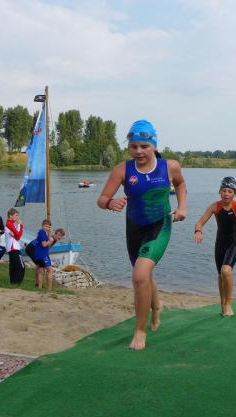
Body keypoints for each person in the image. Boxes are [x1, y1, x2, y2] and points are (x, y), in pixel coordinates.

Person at [97, 119, 186, 350]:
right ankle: (156, 306)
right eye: (133, 146)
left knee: (139, 275)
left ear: (154, 145)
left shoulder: (170, 166)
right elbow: (102, 199)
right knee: (143, 275)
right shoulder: (122, 170)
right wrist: (110, 203)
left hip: (160, 225)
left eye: (144, 146)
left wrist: (182, 206)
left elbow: (180, 184)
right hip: (134, 228)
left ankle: (140, 331)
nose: (138, 151)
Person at [193, 176, 236, 316]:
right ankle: (222, 304)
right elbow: (200, 222)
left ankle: (228, 304)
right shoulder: (215, 206)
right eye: (223, 190)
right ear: (219, 191)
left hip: (234, 242)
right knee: (220, 275)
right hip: (220, 243)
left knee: (226, 271)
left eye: (229, 191)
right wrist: (198, 231)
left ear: (234, 193)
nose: (226, 193)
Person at [25, 220, 66, 290]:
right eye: (58, 235)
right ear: (55, 234)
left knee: (39, 267)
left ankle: (38, 285)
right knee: (42, 268)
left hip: (34, 248)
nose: (59, 237)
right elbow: (45, 247)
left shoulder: (51, 237)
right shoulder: (52, 239)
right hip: (32, 249)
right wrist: (46, 257)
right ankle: (42, 286)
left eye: (61, 236)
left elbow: (46, 247)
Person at [4, 208, 25, 285]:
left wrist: (17, 231)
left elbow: (17, 237)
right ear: (10, 215)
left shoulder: (11, 224)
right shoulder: (9, 224)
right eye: (16, 215)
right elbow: (18, 235)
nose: (17, 217)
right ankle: (17, 282)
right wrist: (20, 225)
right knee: (21, 266)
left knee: (13, 265)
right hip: (13, 247)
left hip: (12, 247)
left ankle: (13, 282)